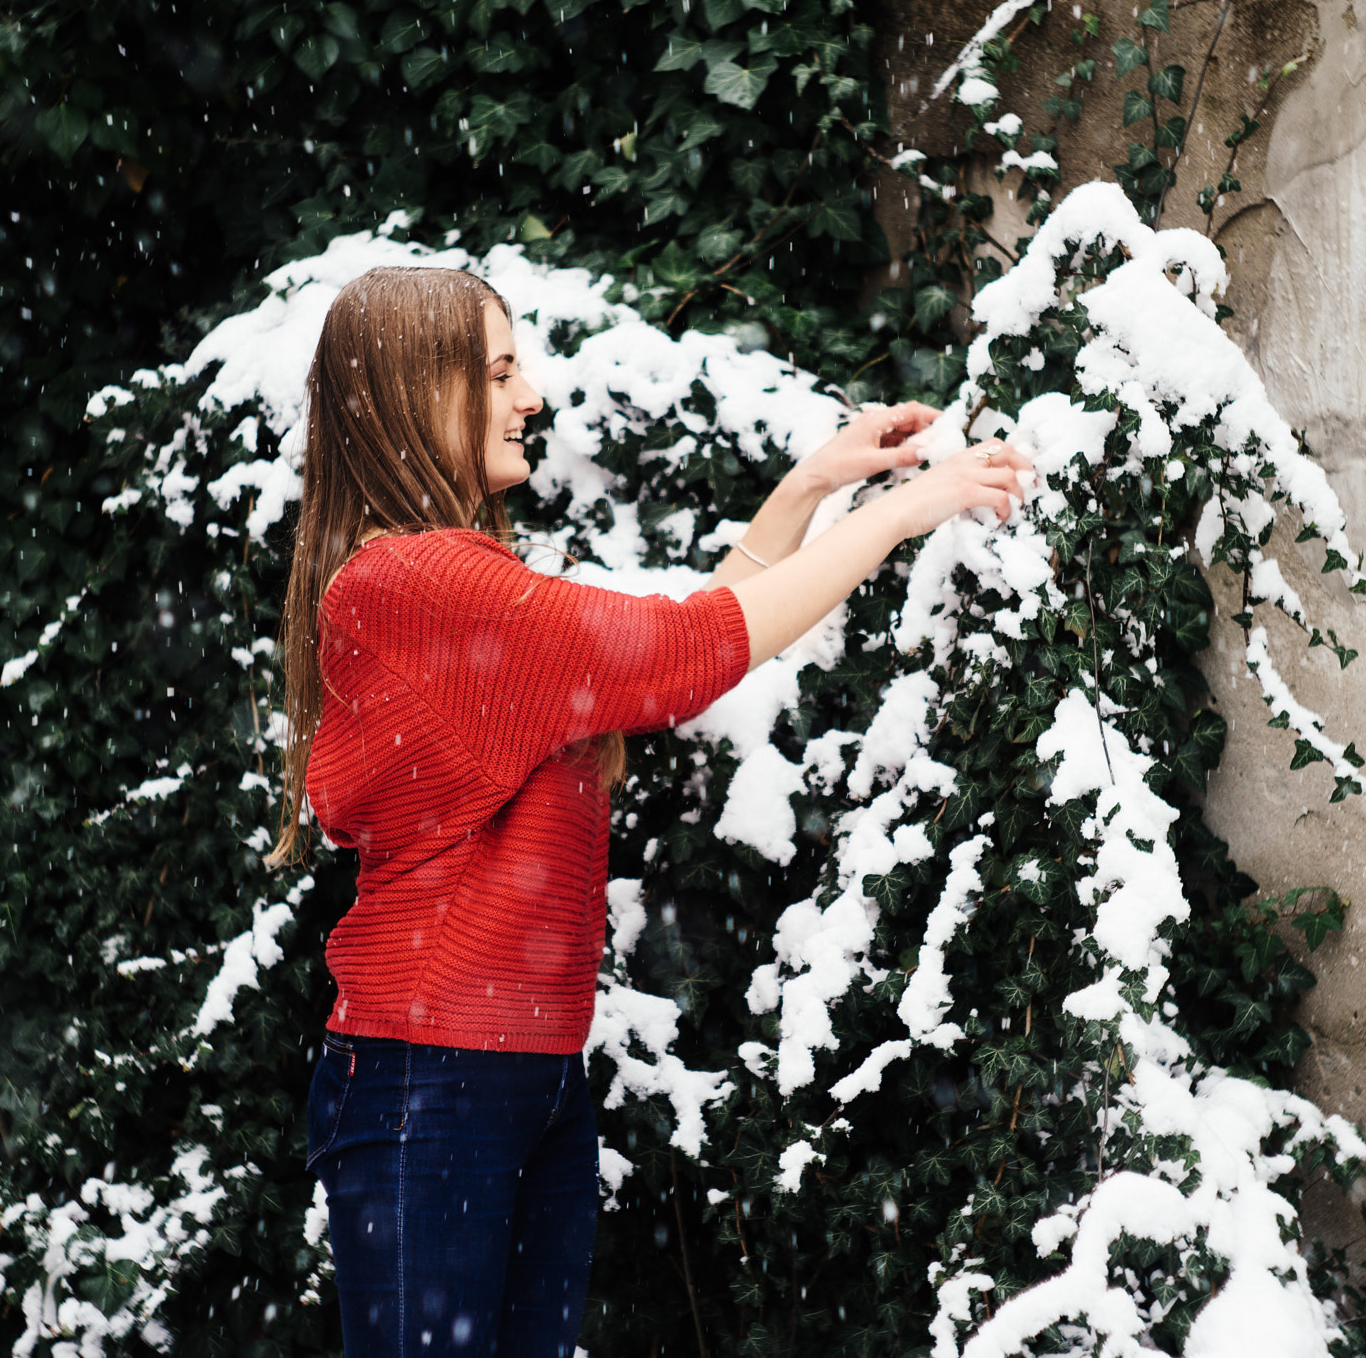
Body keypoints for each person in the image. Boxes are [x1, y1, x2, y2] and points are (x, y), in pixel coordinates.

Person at [267, 265, 1031, 1358]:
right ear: (412, 391)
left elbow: (674, 646)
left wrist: (810, 488)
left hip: (523, 1078)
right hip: (426, 1082)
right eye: (496, 371)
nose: (528, 394)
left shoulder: (469, 584)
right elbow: (678, 651)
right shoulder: (415, 583)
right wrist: (908, 509)